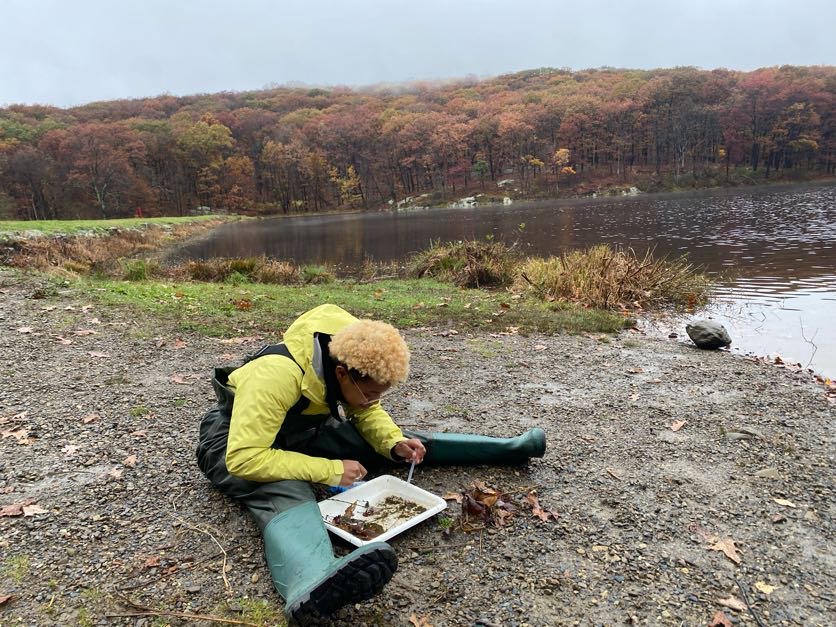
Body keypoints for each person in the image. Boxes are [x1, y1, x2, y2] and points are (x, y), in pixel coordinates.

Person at [196, 304, 546, 621]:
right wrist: (331, 470)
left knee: (395, 440)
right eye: (371, 393)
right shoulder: (275, 376)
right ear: (342, 375)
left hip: (302, 430)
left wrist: (393, 444)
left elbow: (368, 412)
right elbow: (245, 458)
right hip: (234, 443)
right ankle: (309, 581)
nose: (374, 401)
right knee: (285, 487)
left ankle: (510, 448)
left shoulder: (349, 351)